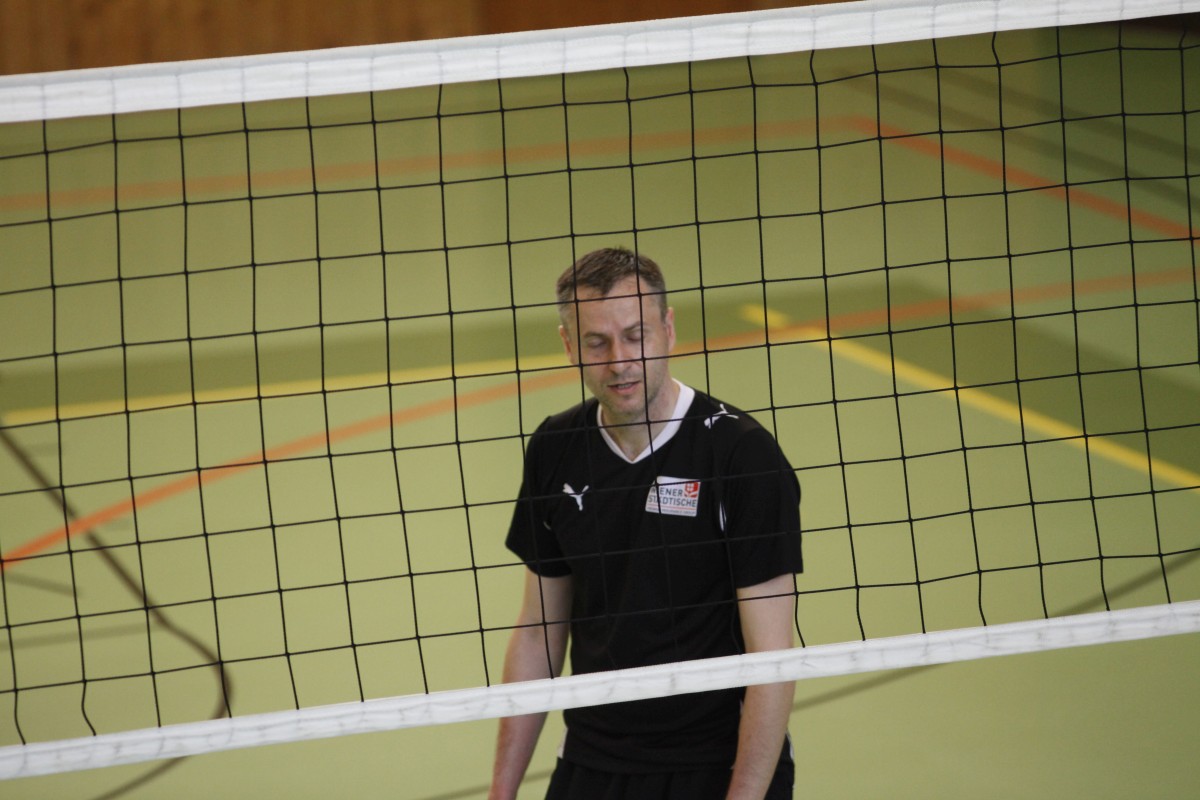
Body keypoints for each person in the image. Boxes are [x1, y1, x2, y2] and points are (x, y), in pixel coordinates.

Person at [489, 247, 802, 800]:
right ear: (568, 345)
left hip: (714, 762)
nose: (620, 361)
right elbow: (538, 631)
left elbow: (773, 658)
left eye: (636, 336)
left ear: (668, 329)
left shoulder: (741, 456)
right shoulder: (556, 447)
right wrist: (501, 792)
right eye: (597, 342)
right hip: (593, 759)